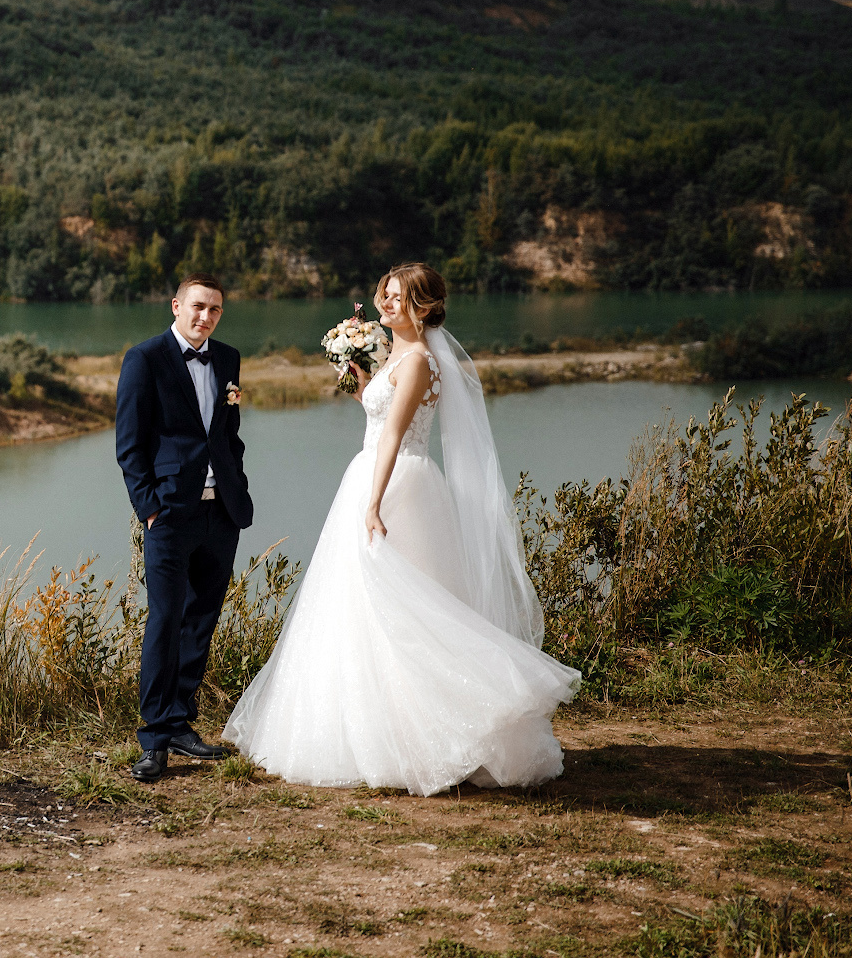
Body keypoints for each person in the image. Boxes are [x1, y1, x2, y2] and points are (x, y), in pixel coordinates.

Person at [222, 263, 580, 794]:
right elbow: (377, 412)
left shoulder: (417, 361)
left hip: (394, 483)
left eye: (399, 299)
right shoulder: (397, 357)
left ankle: (438, 730)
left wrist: (372, 502)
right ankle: (383, 730)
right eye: (384, 296)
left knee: (407, 606)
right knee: (370, 605)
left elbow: (393, 435)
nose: (386, 305)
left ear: (425, 308)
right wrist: (358, 377)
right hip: (378, 474)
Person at [114, 274, 253, 783]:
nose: (205, 317)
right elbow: (129, 444)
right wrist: (148, 507)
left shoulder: (230, 358)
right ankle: (154, 739)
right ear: (176, 305)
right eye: (197, 306)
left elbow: (229, 435)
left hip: (222, 513)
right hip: (169, 513)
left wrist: (238, 483)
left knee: (201, 619)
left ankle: (181, 722)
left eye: (215, 310)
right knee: (165, 619)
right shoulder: (144, 359)